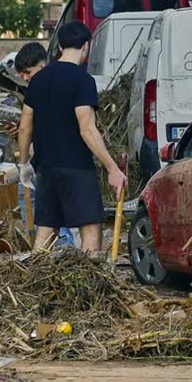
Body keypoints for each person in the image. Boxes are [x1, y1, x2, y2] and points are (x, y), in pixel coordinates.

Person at [17, 22, 126, 254]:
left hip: (46, 167)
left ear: (59, 46)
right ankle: (90, 281)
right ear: (86, 46)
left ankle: (36, 280)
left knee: (47, 228)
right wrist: (112, 168)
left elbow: (25, 126)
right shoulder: (83, 80)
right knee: (89, 226)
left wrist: (24, 163)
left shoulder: (38, 80)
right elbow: (87, 129)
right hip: (76, 167)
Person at [11, 43, 76, 248]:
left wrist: (24, 163)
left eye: (27, 72)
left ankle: (65, 255)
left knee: (54, 215)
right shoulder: (45, 87)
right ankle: (52, 255)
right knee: (46, 214)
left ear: (42, 65)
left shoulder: (54, 87)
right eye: (21, 74)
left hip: (56, 163)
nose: (25, 78)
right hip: (45, 161)